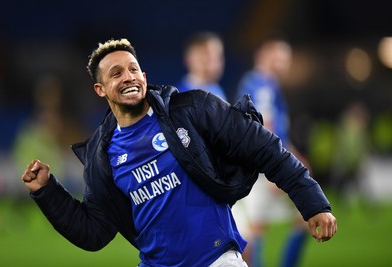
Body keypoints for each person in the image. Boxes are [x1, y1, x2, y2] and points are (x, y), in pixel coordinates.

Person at [21, 38, 337, 267]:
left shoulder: (191, 110)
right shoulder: (102, 159)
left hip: (217, 261)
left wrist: (312, 203)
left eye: (133, 69)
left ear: (144, 77)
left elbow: (265, 148)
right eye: (116, 73)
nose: (128, 76)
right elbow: (93, 233)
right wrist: (47, 192)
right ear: (100, 90)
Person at [233, 38, 310, 267]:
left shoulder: (262, 83)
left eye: (285, 59)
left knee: (261, 229)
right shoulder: (262, 84)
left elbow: (278, 132)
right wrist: (276, 169)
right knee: (256, 232)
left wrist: (296, 157)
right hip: (264, 166)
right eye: (277, 58)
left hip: (265, 163)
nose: (282, 64)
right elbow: (266, 126)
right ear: (262, 56)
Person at [175, 31, 227, 100]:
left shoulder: (217, 90)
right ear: (189, 59)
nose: (214, 63)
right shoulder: (180, 98)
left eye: (218, 56)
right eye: (207, 57)